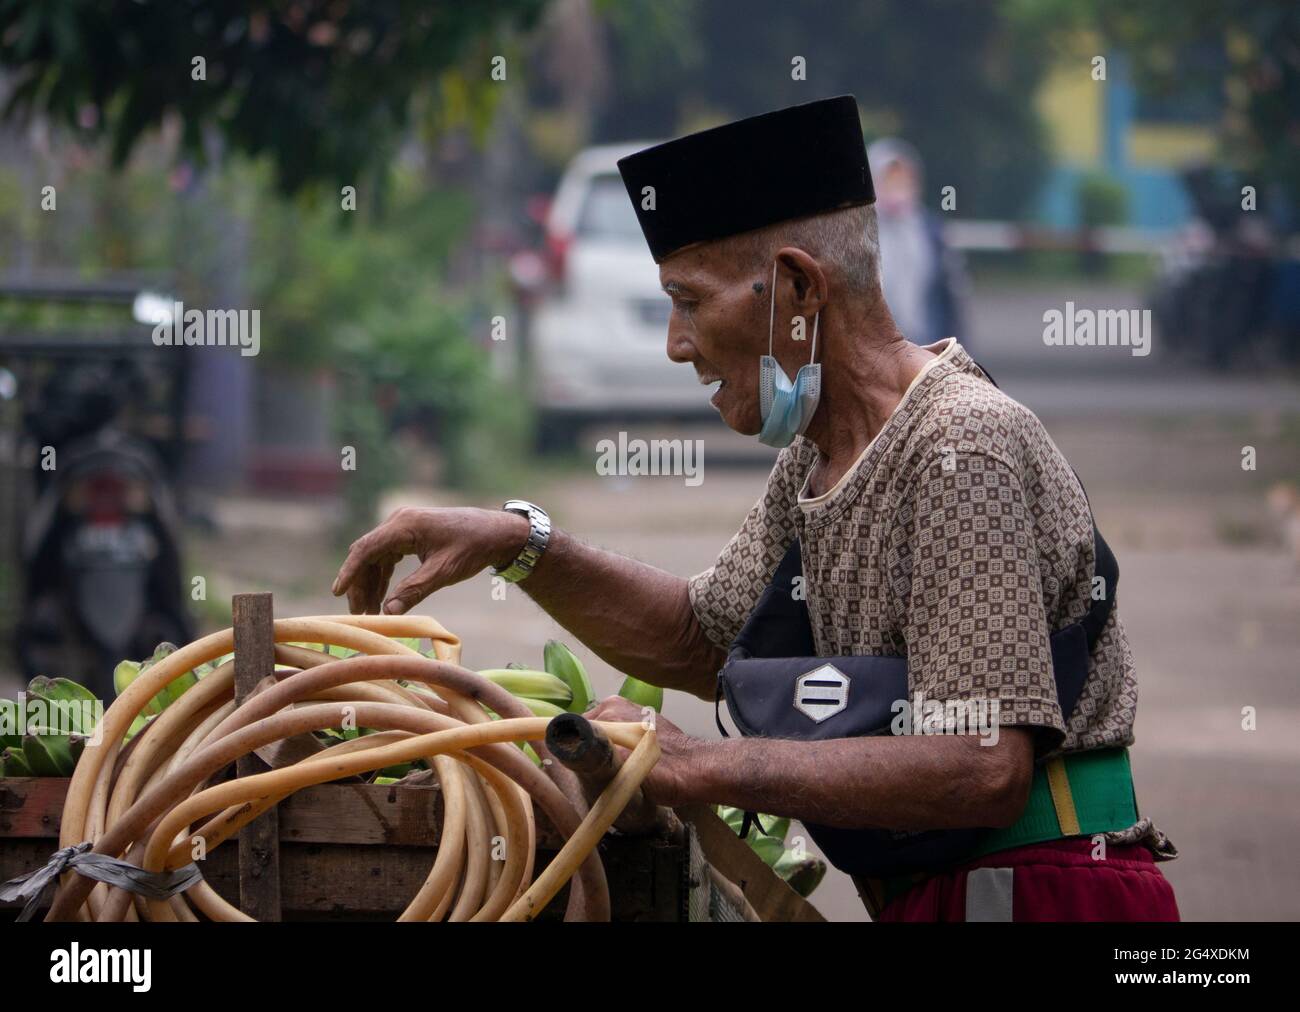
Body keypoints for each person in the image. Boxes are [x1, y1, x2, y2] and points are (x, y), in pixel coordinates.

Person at [331, 96, 1179, 921]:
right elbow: (707, 639)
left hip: (1046, 891)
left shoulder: (961, 445)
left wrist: (703, 765)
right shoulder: (821, 456)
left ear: (796, 288)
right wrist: (516, 544)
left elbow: (983, 763)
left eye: (690, 300)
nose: (676, 342)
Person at [868, 137, 969, 348]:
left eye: (902, 180)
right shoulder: (862, 230)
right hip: (876, 349)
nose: (896, 187)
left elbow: (951, 295)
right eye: (889, 180)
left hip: (926, 345)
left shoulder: (931, 230)